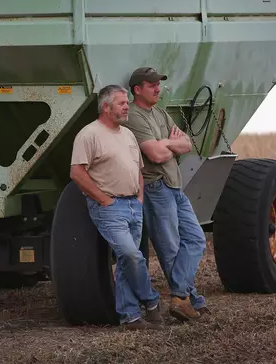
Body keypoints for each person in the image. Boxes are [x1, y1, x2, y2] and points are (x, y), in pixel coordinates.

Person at [70, 84, 163, 329]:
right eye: (122, 103)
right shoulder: (89, 134)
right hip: (110, 208)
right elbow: (77, 173)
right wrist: (104, 200)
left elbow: (138, 170)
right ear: (106, 107)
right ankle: (151, 301)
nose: (127, 107)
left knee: (125, 261)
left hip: (133, 205)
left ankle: (130, 317)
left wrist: (140, 197)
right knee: (132, 255)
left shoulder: (128, 134)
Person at [122, 67, 209, 322]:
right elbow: (156, 155)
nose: (158, 89)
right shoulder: (134, 116)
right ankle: (189, 300)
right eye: (152, 85)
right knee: (170, 248)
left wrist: (167, 144)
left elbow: (187, 144)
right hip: (156, 187)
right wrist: (170, 145)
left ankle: (182, 297)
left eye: (158, 84)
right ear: (137, 90)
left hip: (175, 186)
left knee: (195, 239)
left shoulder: (159, 113)